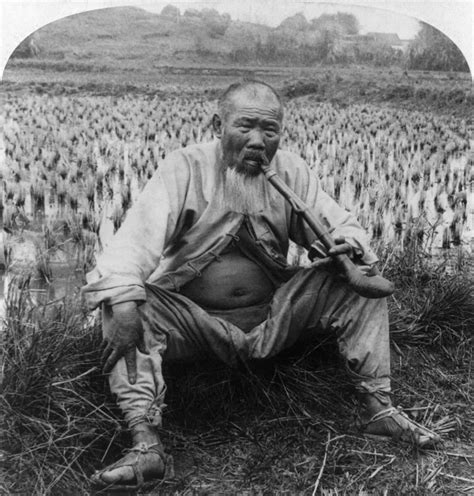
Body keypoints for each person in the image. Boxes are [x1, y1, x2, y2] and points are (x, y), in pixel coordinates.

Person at [82, 80, 441, 490]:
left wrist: (348, 250)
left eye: (269, 131)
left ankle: (378, 410)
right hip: (195, 325)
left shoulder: (290, 171)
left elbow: (339, 225)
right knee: (125, 300)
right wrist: (124, 300)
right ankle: (146, 444)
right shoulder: (184, 168)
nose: (257, 141)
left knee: (352, 286)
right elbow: (132, 243)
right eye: (245, 127)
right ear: (218, 124)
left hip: (273, 319)